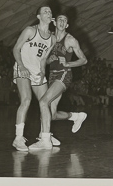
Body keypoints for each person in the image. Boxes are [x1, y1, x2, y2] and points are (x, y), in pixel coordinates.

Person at [29, 13, 88, 150]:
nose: (62, 22)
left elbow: (84, 60)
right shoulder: (50, 38)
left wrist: (68, 64)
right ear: (54, 23)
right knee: (51, 114)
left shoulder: (70, 40)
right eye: (60, 19)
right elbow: (47, 60)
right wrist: (49, 60)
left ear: (66, 25)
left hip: (64, 75)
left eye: (65, 20)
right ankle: (76, 116)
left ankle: (45, 140)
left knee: (43, 102)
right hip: (52, 75)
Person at [12, 5, 56, 151]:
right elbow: (16, 48)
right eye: (45, 11)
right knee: (26, 100)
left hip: (37, 71)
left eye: (50, 11)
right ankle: (18, 139)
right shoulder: (30, 30)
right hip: (23, 68)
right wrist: (22, 67)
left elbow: (43, 58)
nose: (49, 13)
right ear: (39, 16)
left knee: (45, 103)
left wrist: (43, 71)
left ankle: (45, 136)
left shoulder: (52, 38)